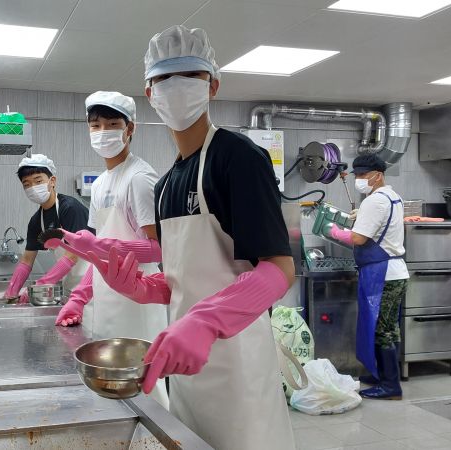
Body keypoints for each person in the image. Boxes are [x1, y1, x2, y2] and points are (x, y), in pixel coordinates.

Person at [86, 25, 296, 450]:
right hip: (183, 368)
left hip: (238, 368)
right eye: (164, 78)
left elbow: (279, 269)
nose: (175, 87)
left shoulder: (238, 158)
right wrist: (142, 288)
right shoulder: (167, 183)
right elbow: (181, 280)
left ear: (212, 86)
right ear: (150, 93)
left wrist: (206, 321)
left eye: (189, 76)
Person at [53, 91, 169, 408]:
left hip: (138, 301)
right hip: (107, 301)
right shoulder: (101, 183)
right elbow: (97, 252)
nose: (103, 132)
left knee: (147, 389)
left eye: (112, 124)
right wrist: (79, 298)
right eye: (96, 125)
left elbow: (159, 249)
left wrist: (105, 246)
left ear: (130, 129)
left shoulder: (139, 179)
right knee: (113, 390)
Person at [329, 154, 408, 400]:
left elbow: (358, 238)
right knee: (387, 327)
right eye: (358, 175)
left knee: (382, 329)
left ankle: (390, 386)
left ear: (378, 175)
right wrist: (361, 216)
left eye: (364, 175)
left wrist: (336, 232)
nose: (360, 179)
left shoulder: (375, 201)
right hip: (394, 272)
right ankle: (382, 375)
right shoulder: (393, 197)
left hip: (382, 273)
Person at [4, 154, 91, 303]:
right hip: (71, 287)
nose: (33, 187)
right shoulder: (36, 221)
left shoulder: (70, 208)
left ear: (52, 181)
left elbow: (73, 255)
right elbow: (27, 260)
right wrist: (12, 291)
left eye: (38, 181)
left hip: (93, 284)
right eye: (27, 184)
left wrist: (41, 284)